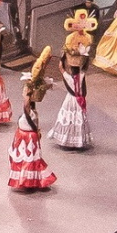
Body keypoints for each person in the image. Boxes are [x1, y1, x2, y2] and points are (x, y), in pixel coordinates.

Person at [48, 10, 96, 150]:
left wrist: (62, 62)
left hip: (72, 99)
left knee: (69, 119)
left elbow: (62, 69)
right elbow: (84, 88)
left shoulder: (69, 76)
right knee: (77, 119)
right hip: (78, 99)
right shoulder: (81, 76)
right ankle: (76, 140)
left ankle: (69, 139)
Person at [8, 51, 56, 190]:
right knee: (28, 159)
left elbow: (27, 106)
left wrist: (27, 97)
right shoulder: (32, 113)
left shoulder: (31, 112)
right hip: (26, 137)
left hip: (28, 137)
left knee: (29, 159)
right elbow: (27, 107)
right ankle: (29, 180)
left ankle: (29, 180)